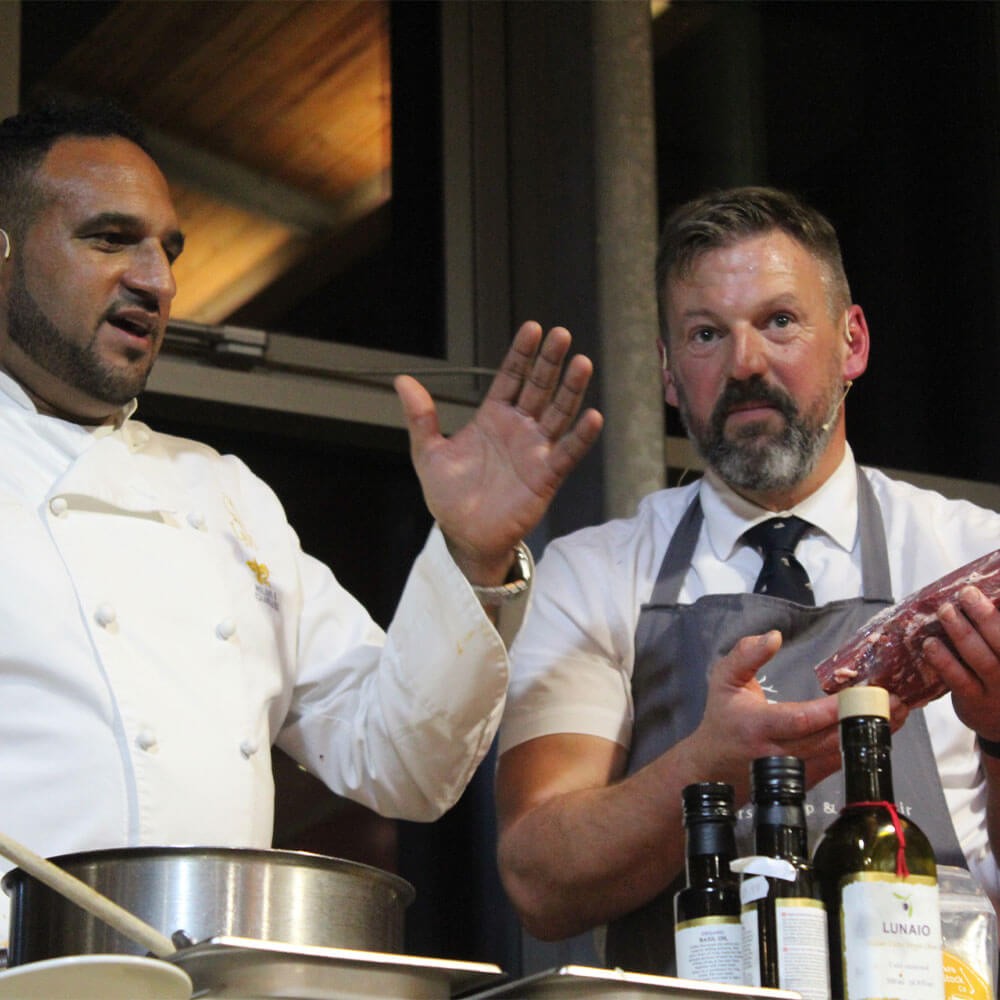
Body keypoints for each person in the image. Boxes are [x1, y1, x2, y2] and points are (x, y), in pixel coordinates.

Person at [0, 101, 603, 935]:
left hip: (213, 980)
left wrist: (472, 555)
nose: (158, 280)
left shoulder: (224, 495)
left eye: (168, 250)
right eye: (110, 239)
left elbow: (399, 760)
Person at [495, 185, 1000, 974]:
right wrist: (710, 769)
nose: (745, 364)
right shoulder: (595, 573)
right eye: (705, 334)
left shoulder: (971, 556)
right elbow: (538, 878)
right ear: (667, 374)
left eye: (780, 321)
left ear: (853, 341)